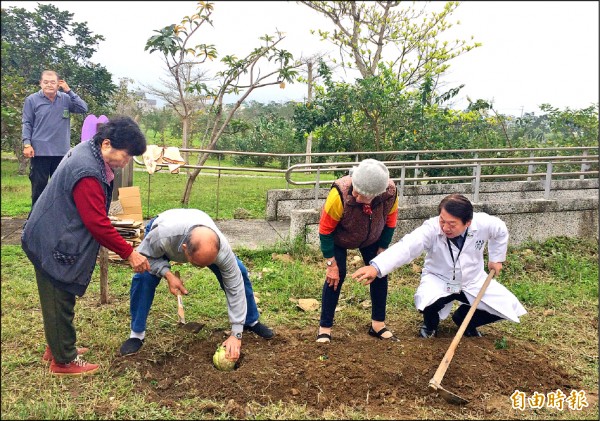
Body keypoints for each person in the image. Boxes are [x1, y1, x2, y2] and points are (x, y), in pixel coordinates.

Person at [21, 116, 150, 376]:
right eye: (125, 156)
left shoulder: (89, 151)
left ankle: (57, 346)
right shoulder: (89, 171)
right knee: (59, 298)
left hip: (54, 230)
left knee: (60, 297)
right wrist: (129, 253)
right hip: (52, 238)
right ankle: (64, 361)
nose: (126, 163)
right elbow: (97, 223)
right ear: (106, 144)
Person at [352, 193, 527, 338]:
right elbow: (407, 247)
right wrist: (376, 267)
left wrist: (496, 258)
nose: (445, 227)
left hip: (472, 280)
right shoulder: (431, 229)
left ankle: (465, 320)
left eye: (452, 224)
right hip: (439, 278)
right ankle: (430, 325)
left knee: (507, 306)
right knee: (426, 301)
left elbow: (501, 230)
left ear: (468, 222)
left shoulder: (484, 223)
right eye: (442, 221)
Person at [118, 208, 275, 361]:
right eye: (198, 264)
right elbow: (144, 258)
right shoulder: (161, 236)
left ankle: (250, 321)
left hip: (198, 227)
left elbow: (235, 285)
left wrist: (236, 333)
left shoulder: (221, 249)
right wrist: (168, 274)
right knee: (143, 276)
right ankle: (136, 334)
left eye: (206, 263)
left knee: (239, 272)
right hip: (166, 231)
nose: (200, 268)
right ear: (184, 250)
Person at [316, 158, 399, 343]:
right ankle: (325, 328)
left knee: (380, 271)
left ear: (378, 194)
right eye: (356, 190)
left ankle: (378, 324)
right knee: (336, 277)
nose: (356, 196)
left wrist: (382, 249)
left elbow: (391, 222)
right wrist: (331, 263)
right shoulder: (339, 193)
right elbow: (325, 230)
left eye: (363, 195)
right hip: (339, 238)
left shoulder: (390, 193)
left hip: (372, 237)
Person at [22, 70, 88, 208]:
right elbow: (27, 122)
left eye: (53, 82)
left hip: (61, 153)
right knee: (38, 189)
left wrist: (69, 90)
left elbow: (83, 108)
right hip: (40, 152)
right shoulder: (32, 100)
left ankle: (58, 222)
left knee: (61, 190)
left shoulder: (65, 99)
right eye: (45, 82)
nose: (49, 85)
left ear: (59, 84)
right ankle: (34, 222)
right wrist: (27, 144)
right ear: (40, 83)